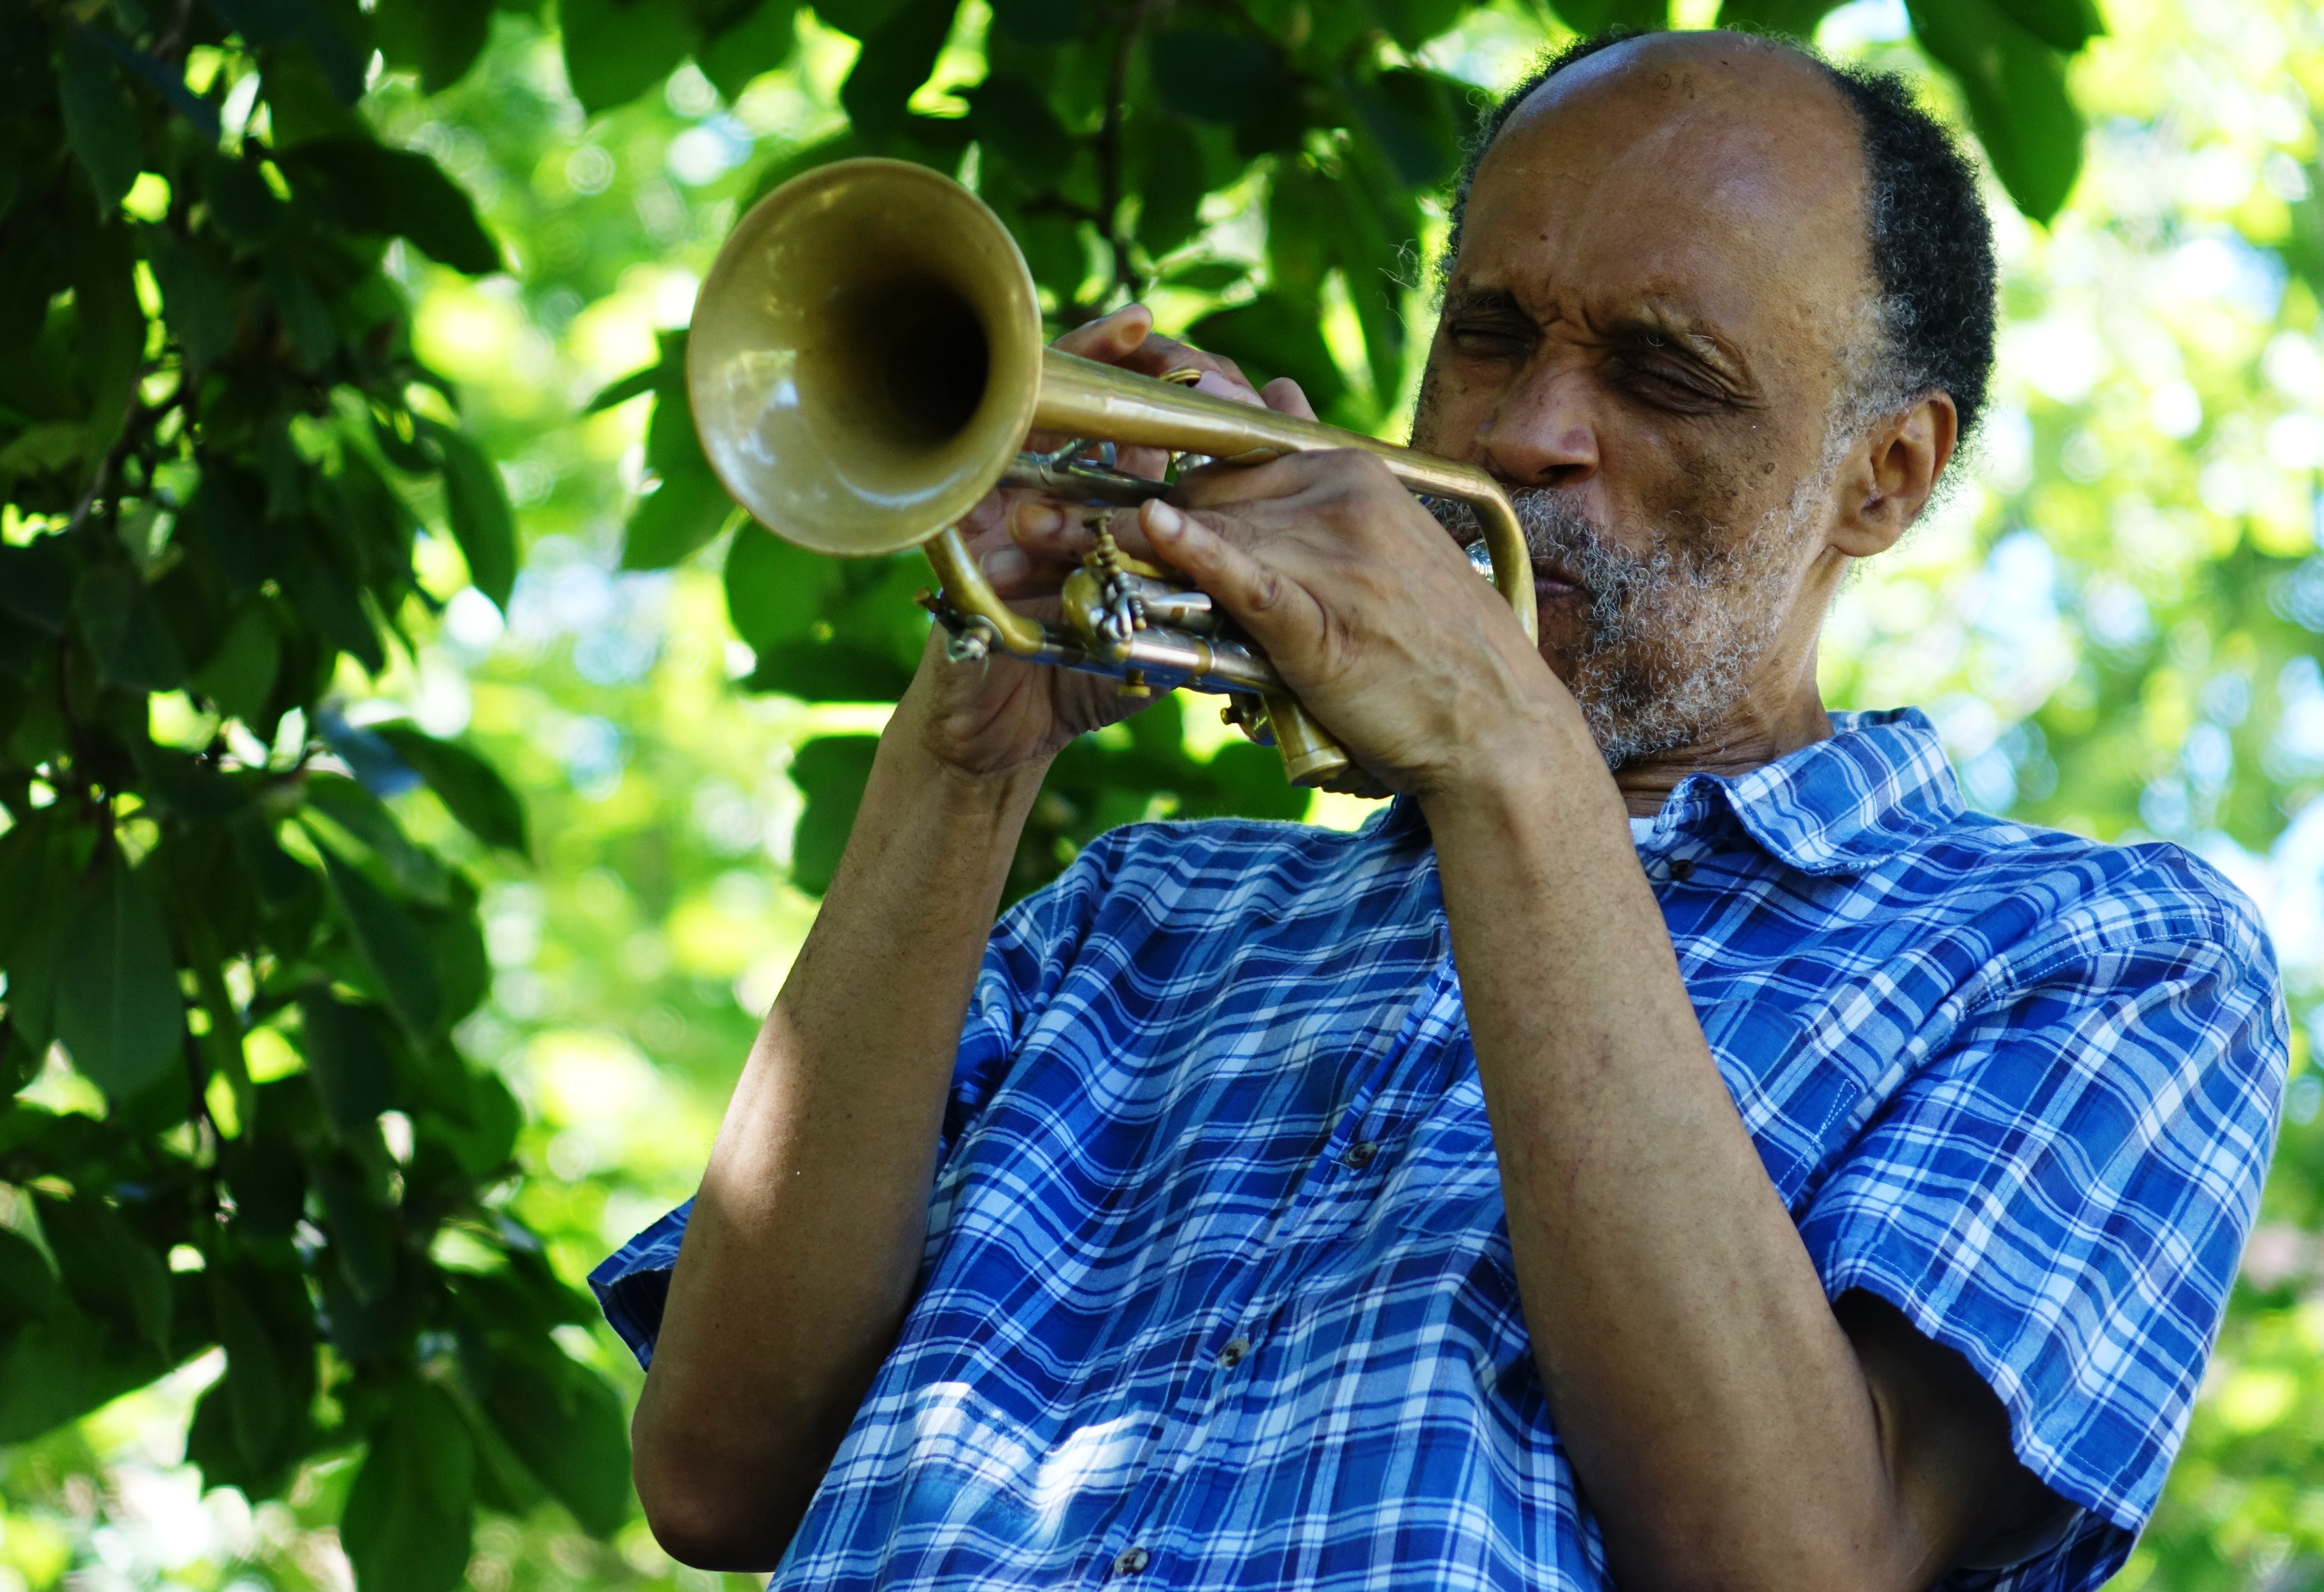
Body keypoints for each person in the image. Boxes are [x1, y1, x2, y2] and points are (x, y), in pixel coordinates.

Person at [594, 27, 2288, 1592]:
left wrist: (1506, 748)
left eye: (1664, 372)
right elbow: (720, 1476)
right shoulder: (1135, 917)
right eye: (1489, 334)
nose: (1538, 428)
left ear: (1885, 477)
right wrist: (968, 754)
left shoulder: (2096, 955)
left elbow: (1802, 1557)